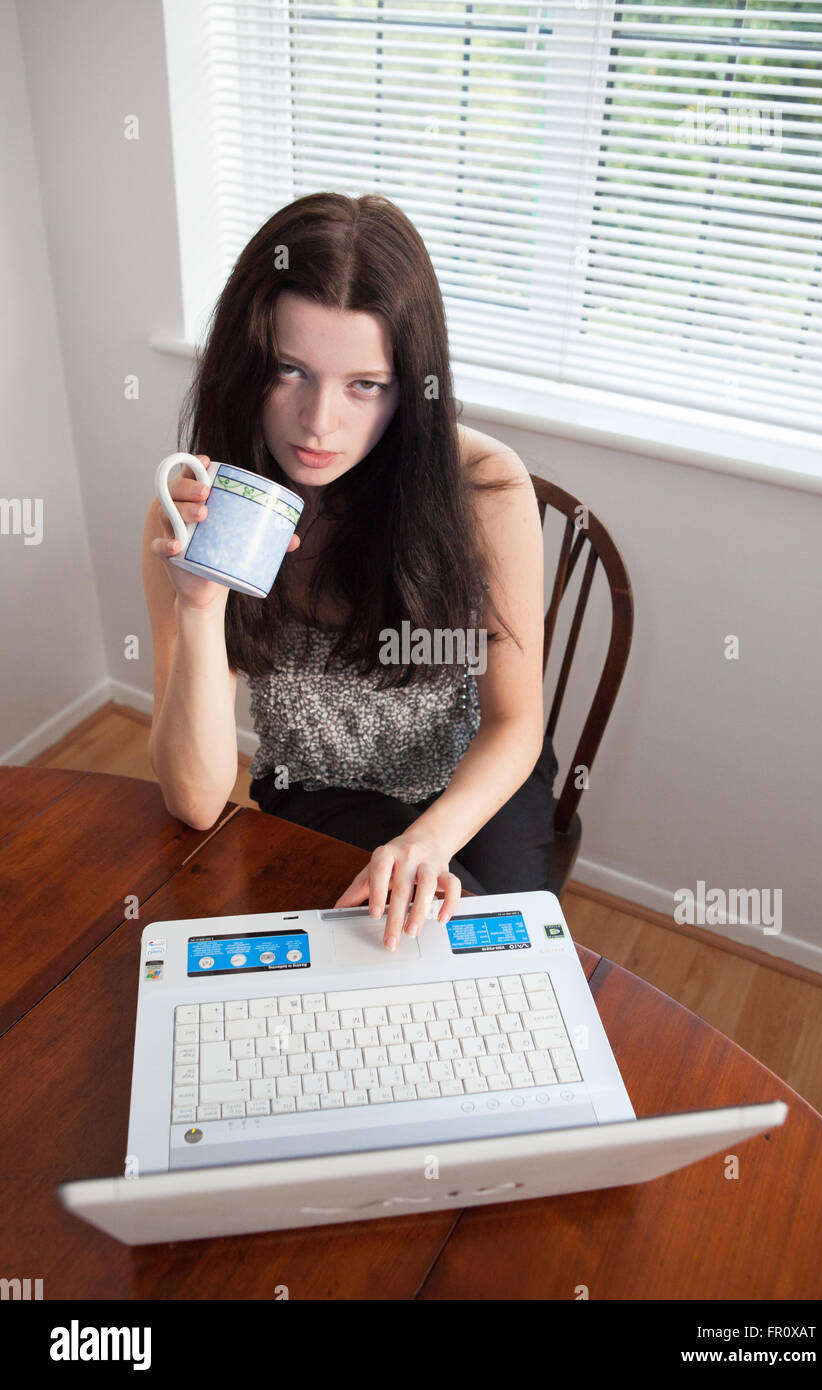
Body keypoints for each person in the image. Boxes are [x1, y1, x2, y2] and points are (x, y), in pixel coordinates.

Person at [142, 192, 558, 951]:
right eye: (291, 371)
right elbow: (197, 802)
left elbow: (516, 722)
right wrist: (200, 609)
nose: (319, 423)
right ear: (246, 364)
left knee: (489, 961)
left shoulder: (485, 488)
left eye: (365, 384)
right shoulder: (202, 510)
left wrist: (430, 840)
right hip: (318, 789)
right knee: (348, 971)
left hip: (474, 779)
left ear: (411, 386)